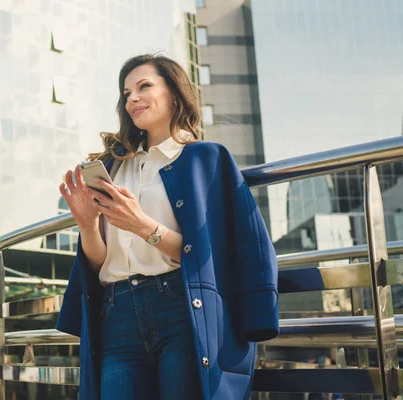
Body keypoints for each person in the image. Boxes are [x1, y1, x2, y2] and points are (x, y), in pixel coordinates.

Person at [56, 53, 279, 400]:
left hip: (181, 310)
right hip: (117, 315)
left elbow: (209, 256)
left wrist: (142, 225)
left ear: (174, 93)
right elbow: (99, 263)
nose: (132, 98)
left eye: (144, 86)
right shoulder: (112, 167)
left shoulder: (207, 160)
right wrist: (87, 225)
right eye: (126, 92)